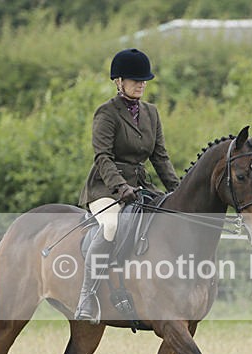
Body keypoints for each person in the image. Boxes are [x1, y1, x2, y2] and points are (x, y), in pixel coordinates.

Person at [75, 48, 180, 322]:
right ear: (119, 81)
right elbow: (103, 157)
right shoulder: (107, 113)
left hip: (140, 186)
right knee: (111, 225)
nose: (141, 84)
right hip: (105, 188)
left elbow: (160, 157)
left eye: (144, 80)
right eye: (135, 80)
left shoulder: (151, 113)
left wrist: (176, 190)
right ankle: (87, 296)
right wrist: (120, 188)